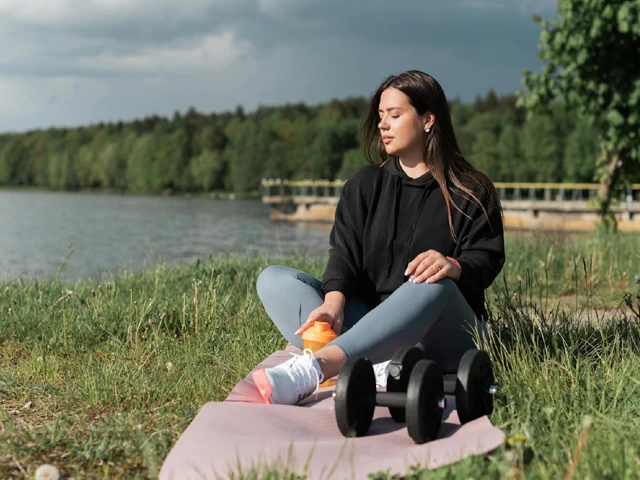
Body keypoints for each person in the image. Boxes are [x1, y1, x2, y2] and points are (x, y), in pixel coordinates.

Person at [252, 70, 505, 405]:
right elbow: (343, 254)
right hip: (370, 323)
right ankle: (374, 362)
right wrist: (332, 305)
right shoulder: (365, 184)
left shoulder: (471, 189)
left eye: (395, 115)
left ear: (428, 119)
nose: (383, 124)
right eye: (381, 116)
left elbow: (487, 259)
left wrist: (453, 265)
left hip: (444, 335)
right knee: (274, 280)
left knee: (432, 282)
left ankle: (317, 368)